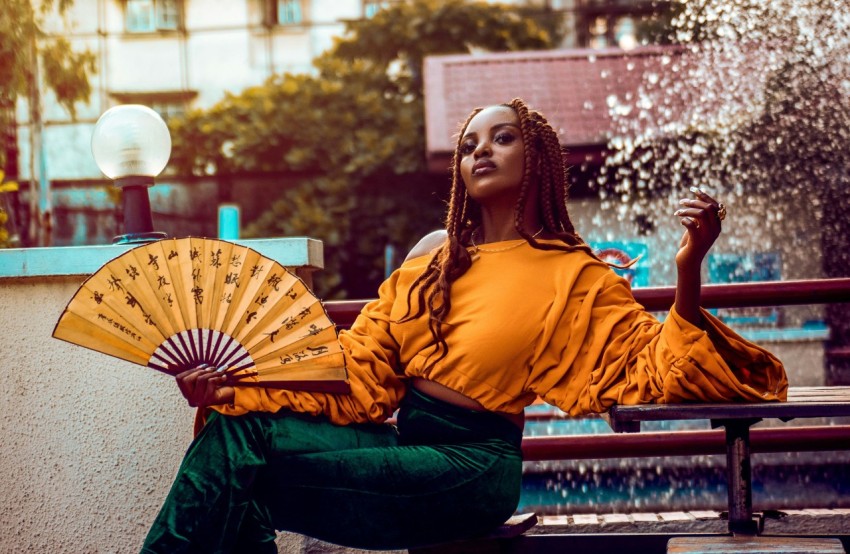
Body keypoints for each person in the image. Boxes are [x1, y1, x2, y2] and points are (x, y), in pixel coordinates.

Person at [141, 98, 787, 553]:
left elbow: (660, 369)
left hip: (472, 469)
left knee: (234, 477)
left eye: (502, 138)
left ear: (537, 157)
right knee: (234, 430)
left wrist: (689, 269)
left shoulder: (573, 274)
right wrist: (235, 382)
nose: (481, 151)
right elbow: (358, 368)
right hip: (402, 441)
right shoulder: (432, 256)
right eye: (471, 144)